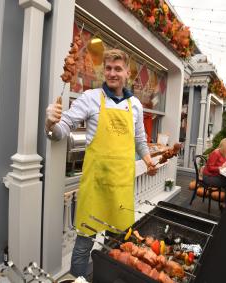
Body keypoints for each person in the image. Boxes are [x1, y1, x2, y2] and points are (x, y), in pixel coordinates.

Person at [45, 49, 157, 277]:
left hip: (121, 187)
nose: (112, 73)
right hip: (95, 187)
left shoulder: (135, 104)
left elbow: (139, 140)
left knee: (116, 244)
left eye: (118, 68)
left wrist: (148, 160)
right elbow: (60, 130)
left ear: (127, 72)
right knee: (84, 245)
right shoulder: (91, 98)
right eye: (108, 68)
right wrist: (49, 124)